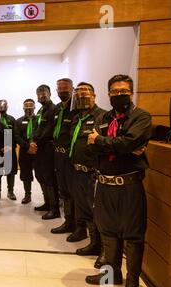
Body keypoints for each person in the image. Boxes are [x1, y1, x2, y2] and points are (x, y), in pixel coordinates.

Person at [85, 74, 152, 287]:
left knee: (133, 236)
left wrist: (104, 142)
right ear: (109, 94)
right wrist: (119, 146)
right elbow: (91, 148)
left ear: (131, 93)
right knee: (108, 232)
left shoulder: (141, 117)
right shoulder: (102, 118)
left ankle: (132, 285)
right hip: (104, 185)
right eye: (115, 92)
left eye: (124, 91)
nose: (119, 95)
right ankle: (109, 276)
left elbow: (128, 142)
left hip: (129, 186)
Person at [67, 82, 106, 266]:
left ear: (94, 95)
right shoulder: (77, 118)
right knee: (83, 206)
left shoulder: (102, 116)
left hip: (93, 173)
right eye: (79, 94)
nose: (82, 97)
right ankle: (92, 241)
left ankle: (104, 249)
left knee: (97, 210)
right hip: (77, 171)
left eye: (86, 93)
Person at [50, 79, 79, 234]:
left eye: (65, 88)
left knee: (73, 191)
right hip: (58, 154)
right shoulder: (57, 109)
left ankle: (78, 225)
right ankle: (68, 221)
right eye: (59, 88)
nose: (62, 91)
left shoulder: (76, 108)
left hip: (70, 156)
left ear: (72, 89)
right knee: (64, 190)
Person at [31, 85, 59, 219]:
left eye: (44, 93)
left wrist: (36, 142)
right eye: (39, 94)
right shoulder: (40, 111)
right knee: (40, 175)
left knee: (49, 178)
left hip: (47, 148)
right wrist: (32, 141)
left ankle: (54, 209)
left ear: (50, 94)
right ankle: (47, 203)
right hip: (37, 149)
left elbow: (49, 130)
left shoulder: (54, 109)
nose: (41, 96)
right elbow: (35, 129)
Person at [15, 99, 36, 204]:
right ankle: (27, 194)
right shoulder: (19, 121)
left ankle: (47, 198)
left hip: (38, 151)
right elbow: (16, 136)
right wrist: (27, 146)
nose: (28, 108)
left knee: (43, 174)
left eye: (31, 106)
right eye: (26, 106)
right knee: (25, 174)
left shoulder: (39, 119)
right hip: (24, 152)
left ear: (34, 107)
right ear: (23, 108)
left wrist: (35, 146)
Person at [0, 99, 18, 201]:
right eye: (0, 105)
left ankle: (10, 191)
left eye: (4, 105)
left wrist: (10, 146)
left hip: (10, 150)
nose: (2, 107)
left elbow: (15, 134)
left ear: (7, 107)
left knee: (11, 171)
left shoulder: (12, 119)